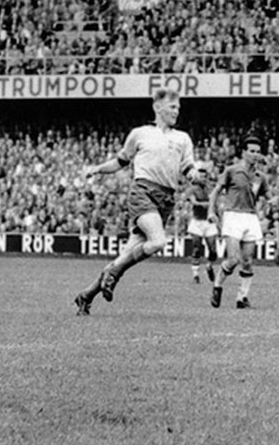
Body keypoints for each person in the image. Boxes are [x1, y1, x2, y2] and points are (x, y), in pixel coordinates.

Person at [74, 88, 198, 315]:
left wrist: (194, 174)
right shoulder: (140, 134)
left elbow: (188, 166)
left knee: (126, 254)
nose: (176, 112)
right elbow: (120, 162)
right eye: (172, 107)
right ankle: (116, 272)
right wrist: (97, 170)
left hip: (165, 199)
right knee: (158, 241)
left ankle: (86, 296)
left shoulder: (182, 139)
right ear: (157, 107)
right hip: (143, 192)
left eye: (178, 108)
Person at [209, 135, 266, 309]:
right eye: (251, 151)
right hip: (233, 215)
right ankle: (217, 286)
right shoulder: (232, 170)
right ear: (244, 152)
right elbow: (216, 192)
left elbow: (264, 197)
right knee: (233, 259)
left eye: (257, 152)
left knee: (247, 261)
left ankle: (242, 298)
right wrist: (212, 211)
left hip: (250, 217)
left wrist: (263, 211)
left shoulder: (260, 176)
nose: (255, 155)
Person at [184, 159, 220, 284]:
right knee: (196, 248)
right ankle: (195, 275)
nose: (204, 179)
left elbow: (215, 203)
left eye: (205, 177)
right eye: (201, 177)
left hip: (209, 222)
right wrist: (209, 204)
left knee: (213, 250)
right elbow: (194, 203)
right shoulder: (192, 189)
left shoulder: (210, 188)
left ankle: (209, 266)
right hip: (197, 221)